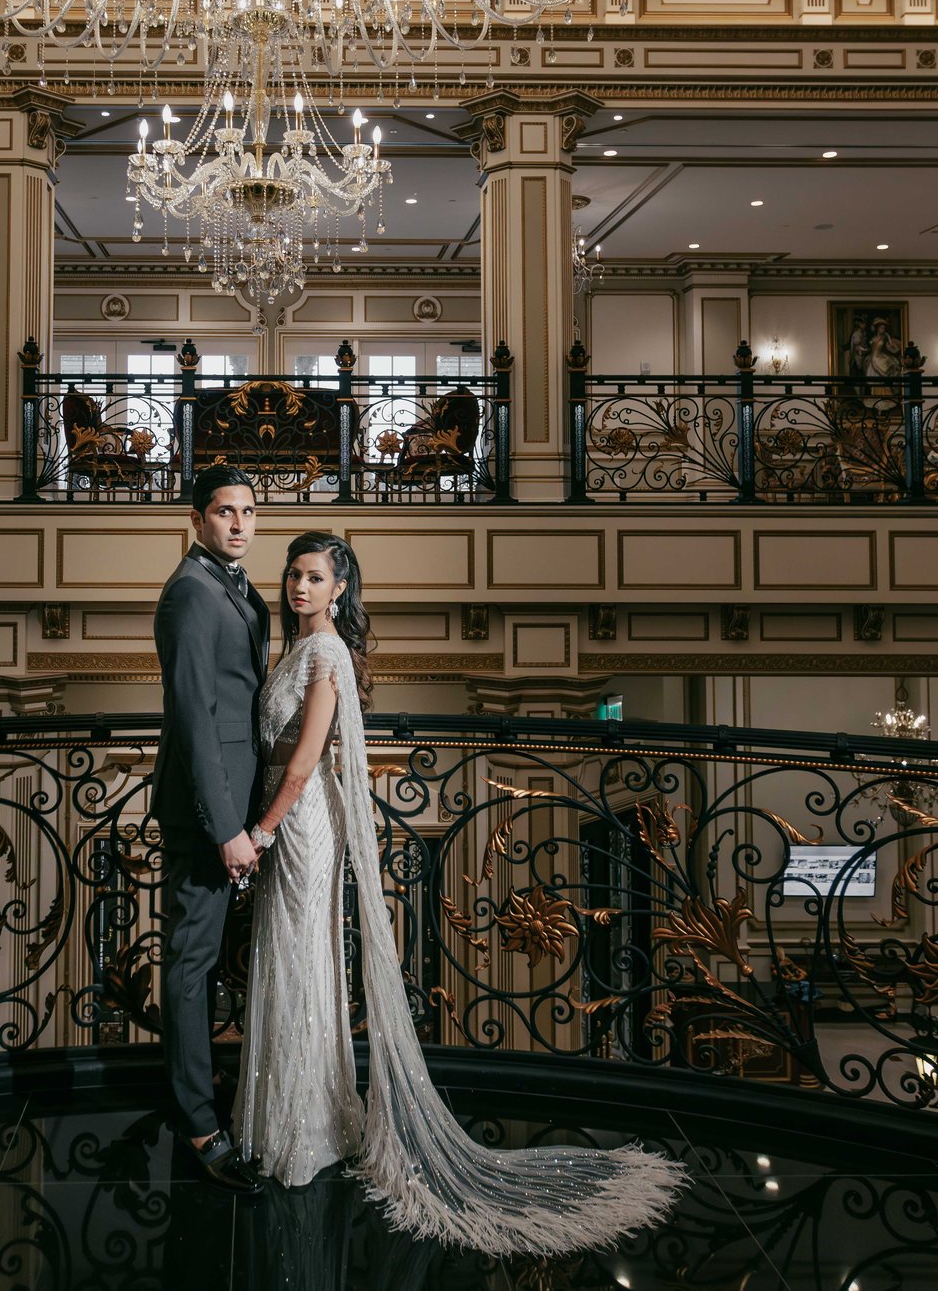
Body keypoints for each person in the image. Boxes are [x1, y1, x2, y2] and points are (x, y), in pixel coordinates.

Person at [236, 531, 687, 1252]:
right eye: (294, 573)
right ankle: (290, 1111)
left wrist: (259, 833)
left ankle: (305, 1128)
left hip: (300, 821)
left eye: (315, 576)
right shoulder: (292, 650)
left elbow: (302, 764)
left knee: (301, 959)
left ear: (340, 588)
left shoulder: (326, 654)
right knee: (288, 958)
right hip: (284, 813)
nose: (299, 586)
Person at [152, 463, 271, 1191]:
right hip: (207, 817)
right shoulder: (191, 594)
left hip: (234, 808)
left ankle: (214, 1089)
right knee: (190, 965)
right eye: (224, 511)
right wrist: (228, 827)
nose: (238, 523)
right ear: (198, 519)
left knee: (209, 961)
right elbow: (195, 720)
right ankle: (198, 1121)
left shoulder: (234, 585)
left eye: (248, 511)